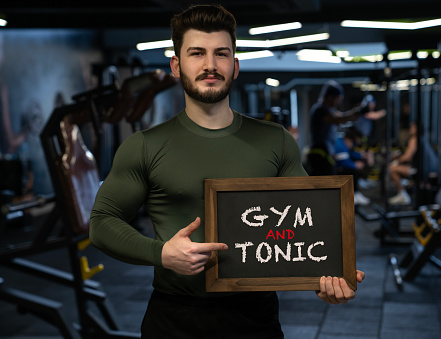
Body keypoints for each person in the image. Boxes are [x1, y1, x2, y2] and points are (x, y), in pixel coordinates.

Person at [89, 5, 365, 338]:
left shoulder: (274, 140)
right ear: (176, 66)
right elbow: (102, 223)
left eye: (221, 54)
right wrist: (160, 253)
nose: (209, 65)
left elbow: (310, 225)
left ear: (234, 66)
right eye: (196, 53)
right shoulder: (145, 146)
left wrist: (328, 277)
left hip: (255, 318)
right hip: (175, 317)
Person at [306, 81, 365, 176]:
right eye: (338, 99)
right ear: (330, 97)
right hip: (319, 156)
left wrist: (358, 112)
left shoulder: (329, 110)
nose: (338, 102)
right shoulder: (320, 110)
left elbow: (343, 118)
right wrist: (355, 112)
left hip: (325, 155)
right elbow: (338, 119)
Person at [334, 127, 373, 206]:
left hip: (341, 166)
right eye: (352, 142)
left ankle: (356, 193)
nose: (352, 145)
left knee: (355, 168)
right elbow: (343, 162)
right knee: (353, 170)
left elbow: (350, 154)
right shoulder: (340, 145)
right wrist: (355, 165)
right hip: (337, 169)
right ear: (348, 139)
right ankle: (354, 194)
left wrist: (361, 155)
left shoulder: (344, 143)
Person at [388, 122, 418, 205]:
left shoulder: (414, 139)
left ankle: (403, 194)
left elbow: (407, 156)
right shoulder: (415, 139)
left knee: (392, 168)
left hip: (418, 170)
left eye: (413, 127)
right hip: (415, 167)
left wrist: (397, 161)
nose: (410, 129)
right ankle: (405, 186)